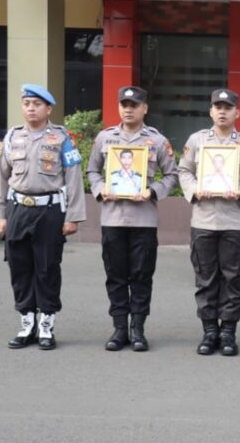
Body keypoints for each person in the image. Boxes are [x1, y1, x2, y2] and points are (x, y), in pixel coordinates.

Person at [0, 84, 86, 350]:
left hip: (49, 211)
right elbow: (2, 177)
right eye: (27, 103)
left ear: (48, 108)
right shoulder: (12, 138)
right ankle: (26, 322)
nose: (31, 108)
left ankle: (46, 324)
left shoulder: (62, 138)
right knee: (19, 267)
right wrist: (0, 214)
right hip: (18, 209)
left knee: (47, 267)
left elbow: (74, 178)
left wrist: (73, 216)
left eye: (37, 104)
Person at [87, 86, 178, 352]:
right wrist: (100, 189)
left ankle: (137, 328)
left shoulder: (157, 141)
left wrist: (152, 192)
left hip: (143, 220)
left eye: (134, 104)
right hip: (113, 218)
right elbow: (92, 170)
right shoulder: (105, 139)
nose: (128, 109)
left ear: (144, 108)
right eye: (124, 104)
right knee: (115, 275)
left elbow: (171, 175)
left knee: (141, 275)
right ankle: (118, 329)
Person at [178, 88, 240, 356]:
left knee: (233, 278)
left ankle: (228, 332)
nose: (222, 111)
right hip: (204, 219)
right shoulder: (197, 140)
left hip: (235, 221)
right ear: (211, 111)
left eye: (228, 107)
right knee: (205, 277)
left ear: (238, 112)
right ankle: (209, 330)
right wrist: (193, 190)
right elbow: (184, 170)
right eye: (218, 107)